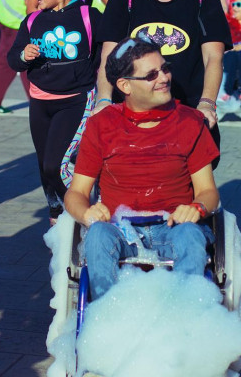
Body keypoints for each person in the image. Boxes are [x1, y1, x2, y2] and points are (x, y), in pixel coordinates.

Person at [65, 39, 220, 300]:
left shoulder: (190, 122)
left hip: (173, 226)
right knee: (98, 234)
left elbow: (208, 191)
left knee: (191, 236)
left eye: (165, 68)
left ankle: (186, 319)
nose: (164, 78)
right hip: (119, 228)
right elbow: (76, 193)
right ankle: (106, 318)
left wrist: (197, 207)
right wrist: (87, 211)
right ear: (125, 85)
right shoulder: (101, 125)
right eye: (150, 75)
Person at [97, 0, 232, 152]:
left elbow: (214, 57)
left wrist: (207, 104)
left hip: (188, 115)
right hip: (132, 115)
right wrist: (103, 99)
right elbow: (109, 54)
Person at [6, 0, 101, 224]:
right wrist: (24, 55)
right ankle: (57, 212)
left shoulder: (88, 16)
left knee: (55, 166)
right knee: (43, 164)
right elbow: (13, 59)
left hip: (74, 100)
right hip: (39, 101)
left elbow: (105, 55)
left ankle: (87, 213)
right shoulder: (33, 20)